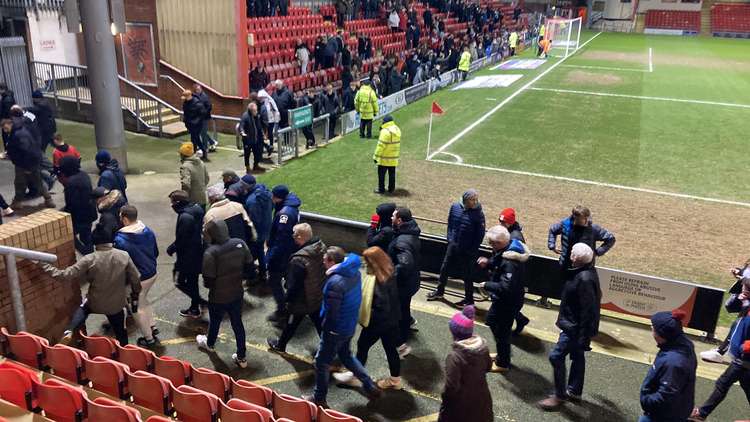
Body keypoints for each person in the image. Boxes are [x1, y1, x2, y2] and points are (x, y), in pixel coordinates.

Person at [302, 248, 382, 407]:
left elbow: (332, 312)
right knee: (346, 355)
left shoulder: (335, 282)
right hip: (349, 325)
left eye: (325, 259)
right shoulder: (354, 272)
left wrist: (326, 327)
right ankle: (369, 384)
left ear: (332, 262)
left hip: (335, 330)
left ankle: (319, 398)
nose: (323, 262)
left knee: (321, 363)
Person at [39, 223, 141, 346]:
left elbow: (64, 275)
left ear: (94, 242)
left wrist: (44, 264)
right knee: (120, 331)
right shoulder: (124, 256)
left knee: (83, 308)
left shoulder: (89, 259)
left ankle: (69, 329)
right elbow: (136, 279)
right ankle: (124, 350)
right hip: (116, 305)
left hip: (95, 302)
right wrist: (135, 293)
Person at [538, 243, 602, 411]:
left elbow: (588, 310)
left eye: (571, 254)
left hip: (573, 327)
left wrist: (582, 336)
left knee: (556, 356)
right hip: (575, 325)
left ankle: (559, 395)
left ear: (576, 259)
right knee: (577, 355)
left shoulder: (584, 278)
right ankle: (574, 390)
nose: (569, 255)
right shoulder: (586, 272)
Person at [335, 246, 404, 390]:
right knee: (391, 350)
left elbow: (380, 307)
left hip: (378, 323)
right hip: (393, 320)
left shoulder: (379, 282)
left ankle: (356, 377)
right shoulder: (390, 272)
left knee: (362, 346)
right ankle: (395, 381)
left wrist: (367, 318)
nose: (365, 265)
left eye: (367, 262)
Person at [195, 219, 254, 369]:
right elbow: (249, 266)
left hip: (218, 296)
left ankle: (210, 344)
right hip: (237, 292)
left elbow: (208, 281)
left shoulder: (211, 252)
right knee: (237, 323)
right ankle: (242, 357)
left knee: (215, 321)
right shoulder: (239, 243)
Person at [691, 277, 750, 421]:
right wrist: (740, 300)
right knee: (747, 386)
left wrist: (746, 347)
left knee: (722, 383)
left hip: (745, 358)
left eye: (747, 289)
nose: (744, 290)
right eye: (744, 288)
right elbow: (729, 308)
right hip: (741, 357)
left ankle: (701, 414)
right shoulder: (746, 304)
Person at [477, 225, 529, 372]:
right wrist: (489, 263)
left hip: (507, 302)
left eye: (492, 243)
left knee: (501, 331)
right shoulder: (508, 250)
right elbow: (498, 262)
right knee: (493, 323)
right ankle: (502, 354)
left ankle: (503, 362)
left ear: (499, 243)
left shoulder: (511, 262)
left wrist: (487, 284)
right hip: (505, 300)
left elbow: (506, 287)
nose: (490, 246)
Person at [267, 223, 326, 352]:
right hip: (317, 294)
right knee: (319, 322)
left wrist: (287, 300)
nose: (292, 236)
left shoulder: (298, 260)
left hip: (302, 300)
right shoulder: (320, 247)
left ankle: (280, 345)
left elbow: (294, 286)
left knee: (291, 323)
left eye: (294, 234)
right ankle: (329, 347)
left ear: (299, 237)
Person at [545, 205, 614, 308]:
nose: (577, 222)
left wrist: (597, 252)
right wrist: (552, 245)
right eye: (576, 219)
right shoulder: (565, 224)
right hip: (566, 266)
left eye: (583, 219)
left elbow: (610, 239)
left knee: (582, 297)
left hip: (585, 269)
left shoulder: (593, 229)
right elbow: (552, 230)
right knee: (566, 293)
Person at [428, 189, 486, 306]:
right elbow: (450, 223)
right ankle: (439, 291)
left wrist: (471, 249)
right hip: (453, 245)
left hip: (468, 250)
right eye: (472, 199)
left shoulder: (478, 214)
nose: (475, 202)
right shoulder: (455, 207)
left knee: (467, 275)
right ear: (465, 200)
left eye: (476, 199)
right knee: (444, 268)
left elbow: (480, 234)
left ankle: (469, 300)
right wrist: (450, 239)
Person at [113, 205, 159, 347]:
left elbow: (120, 264)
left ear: (125, 219)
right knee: (143, 299)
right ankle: (152, 325)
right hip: (152, 272)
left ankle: (148, 338)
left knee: (136, 309)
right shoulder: (148, 231)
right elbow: (155, 252)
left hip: (137, 280)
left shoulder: (120, 240)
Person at [638, 310, 697, 422]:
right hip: (675, 410)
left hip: (661, 416)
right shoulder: (682, 344)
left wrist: (646, 401)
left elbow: (666, 395)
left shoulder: (673, 363)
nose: (651, 328)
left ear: (660, 334)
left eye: (653, 327)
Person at [438, 305, 493, 422]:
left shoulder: (454, 357)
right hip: (482, 399)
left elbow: (451, 387)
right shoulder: (483, 348)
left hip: (460, 406)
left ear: (454, 332)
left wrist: (445, 398)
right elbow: (488, 367)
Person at [167, 190, 208, 319]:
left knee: (179, 281)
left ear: (178, 202)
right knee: (193, 280)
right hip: (198, 251)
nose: (171, 205)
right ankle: (195, 306)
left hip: (187, 256)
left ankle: (199, 303)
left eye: (172, 202)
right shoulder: (197, 209)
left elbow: (182, 239)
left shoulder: (185, 217)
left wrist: (172, 248)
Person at [700, 260, 750, 364]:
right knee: (738, 325)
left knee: (739, 326)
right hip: (746, 301)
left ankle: (721, 352)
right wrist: (739, 272)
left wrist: (744, 279)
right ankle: (721, 351)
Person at [388, 207, 421, 358]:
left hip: (403, 284)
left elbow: (405, 264)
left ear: (400, 220)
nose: (391, 218)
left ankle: (401, 341)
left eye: (393, 216)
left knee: (397, 311)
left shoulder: (402, 241)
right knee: (404, 307)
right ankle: (407, 325)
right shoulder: (411, 232)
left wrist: (390, 273)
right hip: (411, 281)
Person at [266, 185, 302, 321]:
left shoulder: (284, 214)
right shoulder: (291, 206)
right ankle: (291, 304)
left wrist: (270, 257)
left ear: (277, 197)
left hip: (282, 255)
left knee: (274, 281)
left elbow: (281, 240)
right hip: (290, 252)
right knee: (289, 279)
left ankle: (282, 310)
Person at [2, 118, 55, 209]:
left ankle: (17, 202)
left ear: (9, 124)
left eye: (4, 127)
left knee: (21, 183)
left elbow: (26, 151)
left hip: (25, 164)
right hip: (28, 163)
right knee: (35, 181)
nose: (4, 130)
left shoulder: (18, 134)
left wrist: (27, 167)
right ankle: (48, 200)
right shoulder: (20, 130)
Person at [498, 207, 530, 335]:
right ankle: (520, 320)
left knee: (509, 305)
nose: (501, 224)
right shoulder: (511, 233)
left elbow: (515, 260)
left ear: (510, 222)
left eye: (503, 222)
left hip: (513, 277)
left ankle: (516, 323)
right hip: (512, 276)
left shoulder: (515, 237)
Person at [58, 156, 96, 255]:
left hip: (79, 217)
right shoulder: (84, 175)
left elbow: (71, 204)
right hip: (89, 212)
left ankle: (86, 253)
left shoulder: (71, 183)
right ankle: (91, 254)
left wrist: (62, 215)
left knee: (69, 235)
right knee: (86, 236)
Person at [204, 184, 256, 248]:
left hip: (222, 251)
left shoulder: (209, 215)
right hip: (241, 245)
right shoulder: (237, 206)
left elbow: (207, 237)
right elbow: (249, 225)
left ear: (210, 200)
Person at [243, 175, 273, 282]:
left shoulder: (251, 201)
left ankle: (261, 272)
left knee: (257, 250)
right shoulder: (267, 193)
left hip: (258, 230)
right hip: (267, 225)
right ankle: (263, 271)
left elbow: (254, 220)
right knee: (261, 248)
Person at [373, 115, 400, 194]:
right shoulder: (397, 129)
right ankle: (391, 189)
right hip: (393, 157)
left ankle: (381, 189)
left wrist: (375, 157)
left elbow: (380, 146)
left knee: (381, 175)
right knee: (392, 174)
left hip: (384, 158)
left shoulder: (385, 132)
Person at [179, 142, 209, 208]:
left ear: (182, 155)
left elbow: (186, 184)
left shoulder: (185, 166)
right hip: (202, 198)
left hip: (191, 200)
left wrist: (184, 197)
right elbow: (207, 178)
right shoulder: (201, 162)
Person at [182, 89, 208, 161]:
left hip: (197, 125)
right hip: (190, 123)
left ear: (188, 96)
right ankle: (198, 152)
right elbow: (186, 112)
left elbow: (202, 114)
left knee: (195, 138)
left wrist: (195, 121)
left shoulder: (197, 103)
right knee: (194, 139)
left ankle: (202, 151)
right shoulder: (186, 103)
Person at [240, 102, 265, 173]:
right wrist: (242, 132)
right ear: (251, 110)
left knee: (257, 152)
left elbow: (258, 126)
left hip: (255, 138)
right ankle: (248, 168)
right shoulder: (245, 116)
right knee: (247, 154)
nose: (256, 112)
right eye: (255, 111)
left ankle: (256, 165)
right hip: (247, 139)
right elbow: (241, 126)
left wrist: (262, 134)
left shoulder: (256, 116)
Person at [193, 84, 218, 153]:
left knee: (203, 133)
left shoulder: (204, 97)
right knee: (202, 132)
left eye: (198, 89)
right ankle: (212, 142)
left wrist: (204, 113)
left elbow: (209, 106)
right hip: (200, 118)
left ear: (201, 89)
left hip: (204, 118)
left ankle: (205, 148)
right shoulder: (197, 96)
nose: (197, 91)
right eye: (196, 90)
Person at [258, 89, 280, 155]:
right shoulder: (260, 103)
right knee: (262, 134)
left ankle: (271, 145)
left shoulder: (270, 101)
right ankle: (266, 146)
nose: (260, 99)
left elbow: (275, 110)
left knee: (270, 133)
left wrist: (276, 120)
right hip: (264, 121)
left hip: (271, 120)